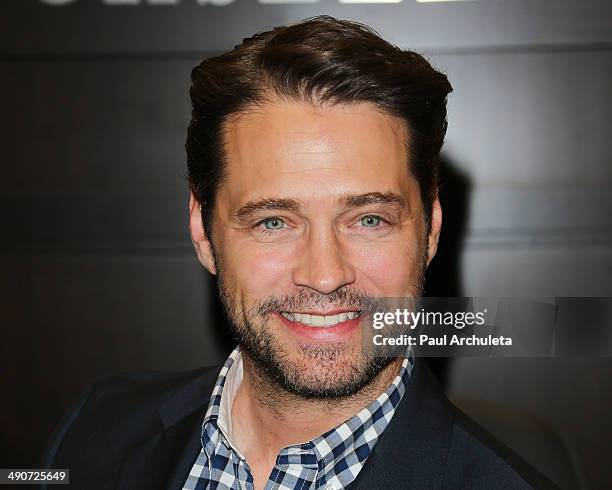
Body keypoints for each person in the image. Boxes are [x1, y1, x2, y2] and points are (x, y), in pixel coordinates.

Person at [42, 15, 557, 490]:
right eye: (273, 221)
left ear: (430, 230)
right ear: (203, 230)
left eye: (369, 219)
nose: (326, 274)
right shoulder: (97, 426)